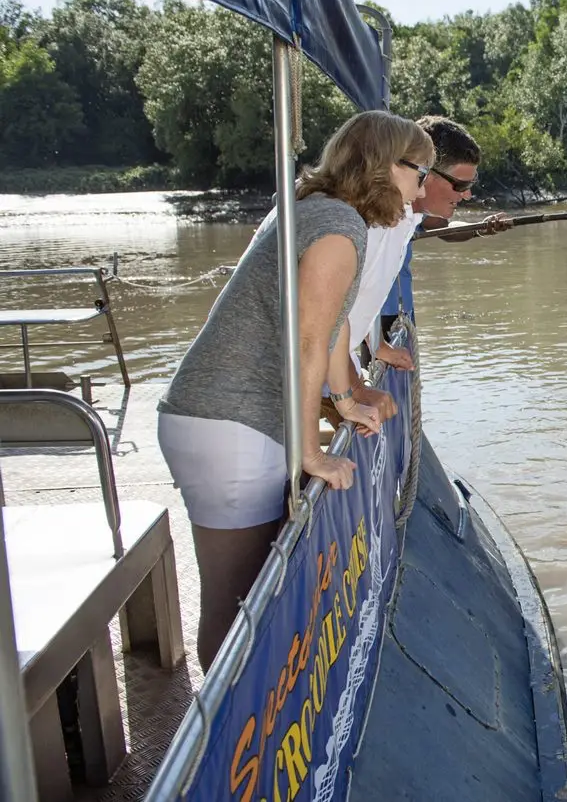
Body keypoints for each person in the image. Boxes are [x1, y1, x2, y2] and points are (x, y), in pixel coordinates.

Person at [155, 109, 432, 670]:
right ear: (384, 166)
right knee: (238, 606)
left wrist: (349, 399)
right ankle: (230, 749)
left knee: (250, 595)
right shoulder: (338, 228)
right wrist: (312, 454)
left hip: (227, 419)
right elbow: (309, 342)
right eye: (420, 172)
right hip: (232, 423)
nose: (423, 189)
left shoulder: (321, 211)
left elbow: (334, 330)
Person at [378, 115, 513, 344]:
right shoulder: (376, 216)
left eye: (471, 184)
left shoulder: (415, 213)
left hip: (402, 320)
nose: (467, 195)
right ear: (426, 173)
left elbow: (444, 229)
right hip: (376, 323)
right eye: (461, 185)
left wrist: (481, 228)